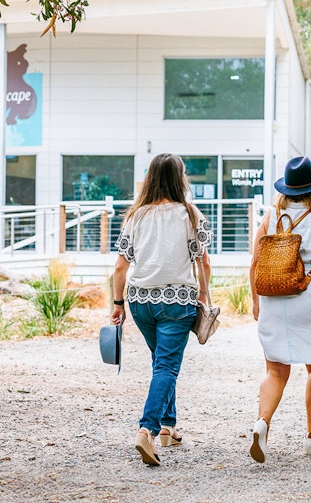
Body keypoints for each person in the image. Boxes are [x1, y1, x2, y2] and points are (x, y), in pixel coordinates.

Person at [110, 153, 213, 466]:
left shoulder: (135, 216)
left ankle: (169, 428)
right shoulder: (190, 215)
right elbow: (203, 262)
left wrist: (117, 304)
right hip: (176, 302)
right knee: (167, 366)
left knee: (161, 363)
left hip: (140, 302)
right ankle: (148, 430)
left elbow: (120, 267)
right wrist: (205, 297)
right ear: (179, 178)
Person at [249, 156, 311, 463]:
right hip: (309, 300)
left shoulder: (271, 216)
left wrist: (255, 300)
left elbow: (255, 262)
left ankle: (262, 423)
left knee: (275, 371)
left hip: (273, 300)